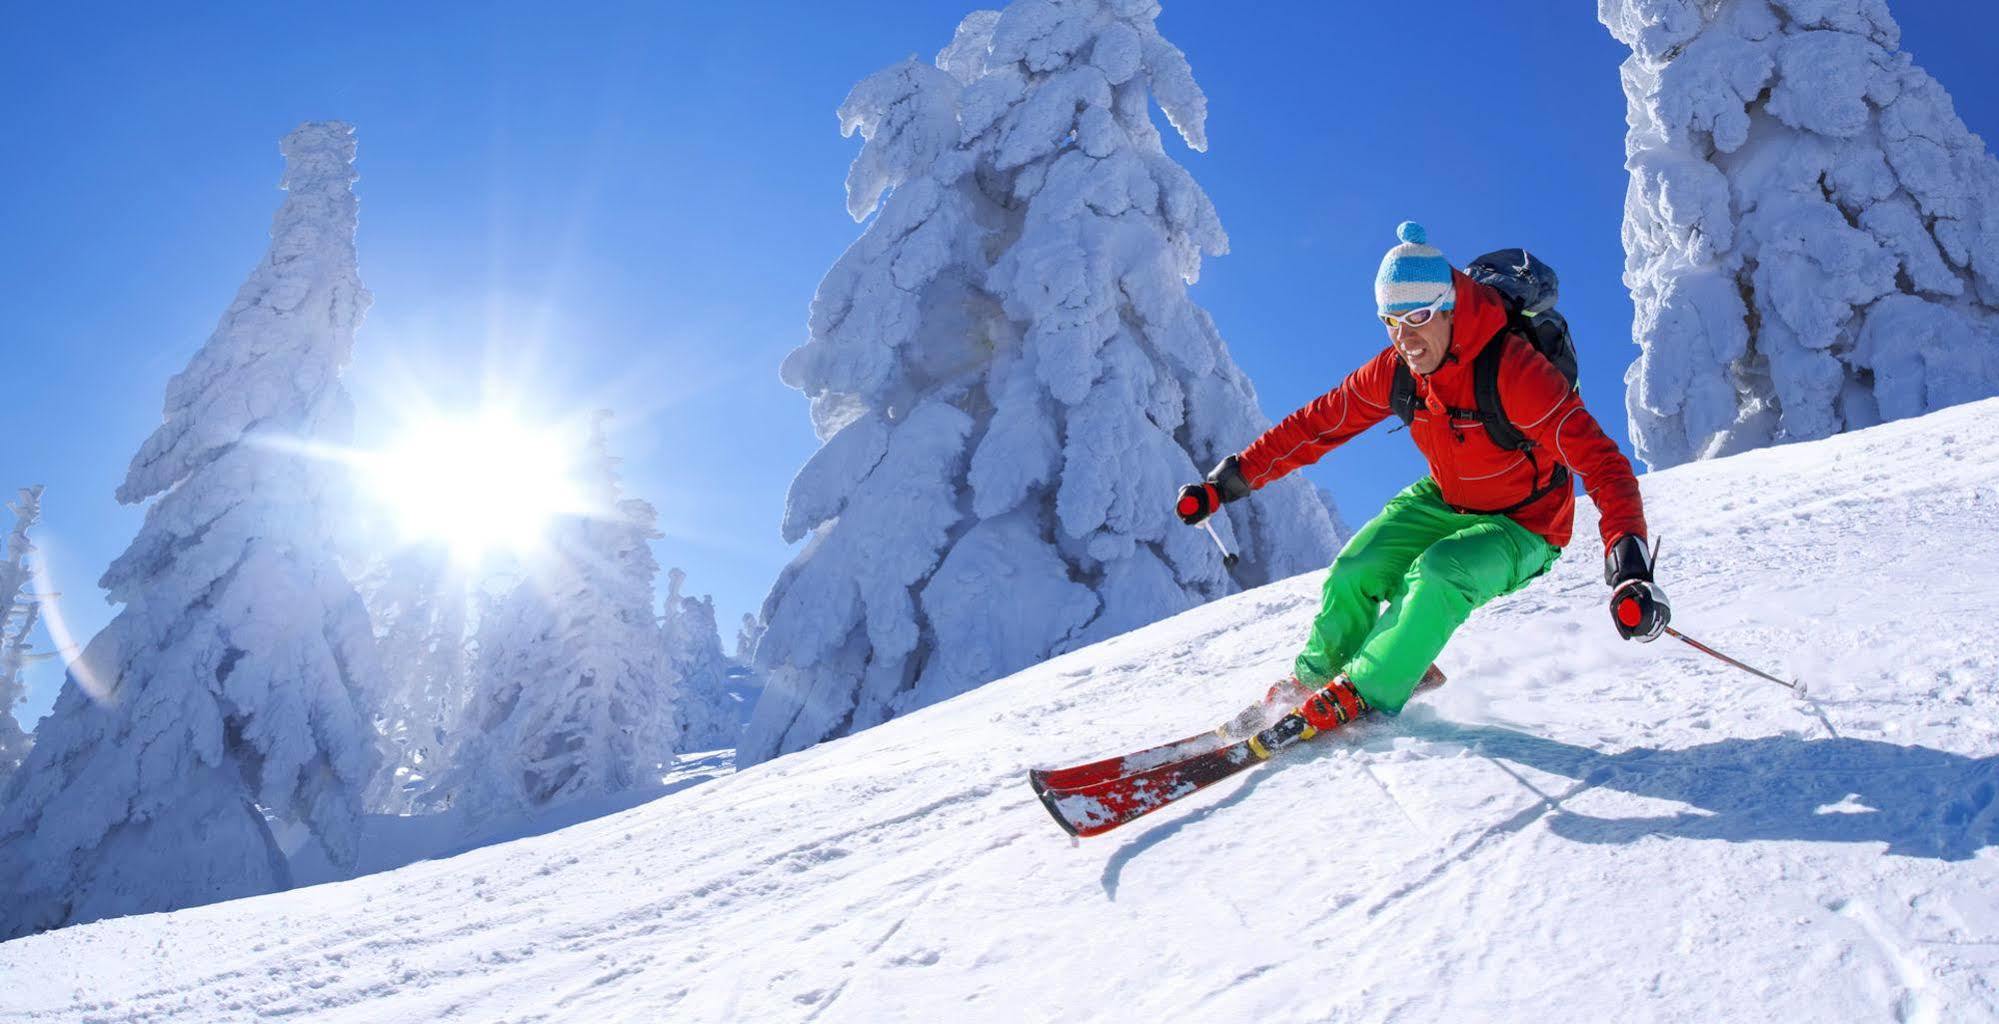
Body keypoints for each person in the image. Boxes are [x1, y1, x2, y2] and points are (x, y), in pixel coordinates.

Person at [1175, 222, 1670, 736]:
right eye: (1391, 322)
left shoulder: (1515, 373)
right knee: (1355, 569)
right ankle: (1314, 681)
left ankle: (1366, 692)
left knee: (1439, 572)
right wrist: (1225, 484)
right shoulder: (1397, 371)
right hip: (1447, 498)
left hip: (1526, 523)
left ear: (1451, 306)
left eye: (1418, 317)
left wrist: (1629, 565)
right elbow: (1317, 424)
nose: (1405, 339)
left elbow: (1604, 464)